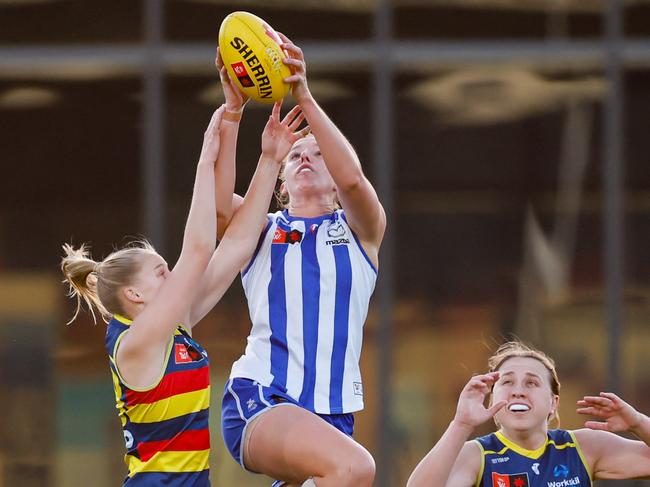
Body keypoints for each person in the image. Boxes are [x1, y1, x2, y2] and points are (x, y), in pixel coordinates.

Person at [60, 99, 307, 486]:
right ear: (135, 295)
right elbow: (198, 251)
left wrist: (271, 157)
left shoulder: (175, 326)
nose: (174, 277)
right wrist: (205, 162)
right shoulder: (134, 344)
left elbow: (238, 243)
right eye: (162, 273)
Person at [215, 32, 385, 487]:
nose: (307, 157)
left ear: (334, 176)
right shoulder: (262, 227)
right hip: (263, 395)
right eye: (296, 155)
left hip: (334, 416)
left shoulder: (362, 232)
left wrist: (304, 95)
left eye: (317, 153)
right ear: (282, 182)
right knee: (357, 468)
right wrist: (232, 113)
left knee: (344, 471)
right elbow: (213, 205)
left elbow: (355, 184)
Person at [407, 341, 650, 487]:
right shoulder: (477, 455)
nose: (518, 392)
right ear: (493, 400)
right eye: (508, 382)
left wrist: (637, 422)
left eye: (531, 383)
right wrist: (460, 424)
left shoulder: (583, 447)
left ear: (554, 403)